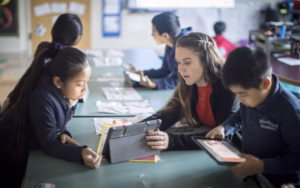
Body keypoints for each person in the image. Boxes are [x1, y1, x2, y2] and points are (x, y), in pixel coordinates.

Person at [0, 47, 100, 187]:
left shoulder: (64, 93)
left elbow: (57, 121)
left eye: (86, 83)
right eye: (79, 84)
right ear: (58, 82)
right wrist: (80, 153)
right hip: (9, 155)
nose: (85, 89)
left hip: (25, 147)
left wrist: (63, 132)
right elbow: (49, 144)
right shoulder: (42, 99)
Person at [206, 47, 300, 187]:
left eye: (242, 94)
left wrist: (262, 166)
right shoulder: (251, 96)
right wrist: (224, 128)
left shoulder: (291, 111)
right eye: (236, 94)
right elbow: (240, 116)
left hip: (280, 182)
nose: (240, 100)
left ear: (265, 84)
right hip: (251, 171)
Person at [141, 32, 239, 150]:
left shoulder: (227, 86)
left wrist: (171, 141)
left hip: (235, 151)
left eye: (187, 62)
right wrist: (134, 129)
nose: (181, 69)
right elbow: (169, 114)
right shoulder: (189, 83)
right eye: (178, 62)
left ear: (205, 61)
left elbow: (222, 137)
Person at [1, 13, 83, 112]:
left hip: (15, 103)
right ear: (77, 38)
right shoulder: (66, 61)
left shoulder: (43, 48)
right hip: (29, 115)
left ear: (53, 30)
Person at [127, 12, 192, 90]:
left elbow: (181, 80)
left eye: (154, 31)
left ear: (165, 36)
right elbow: (164, 71)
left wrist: (154, 85)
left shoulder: (186, 49)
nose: (152, 35)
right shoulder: (170, 45)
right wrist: (142, 73)